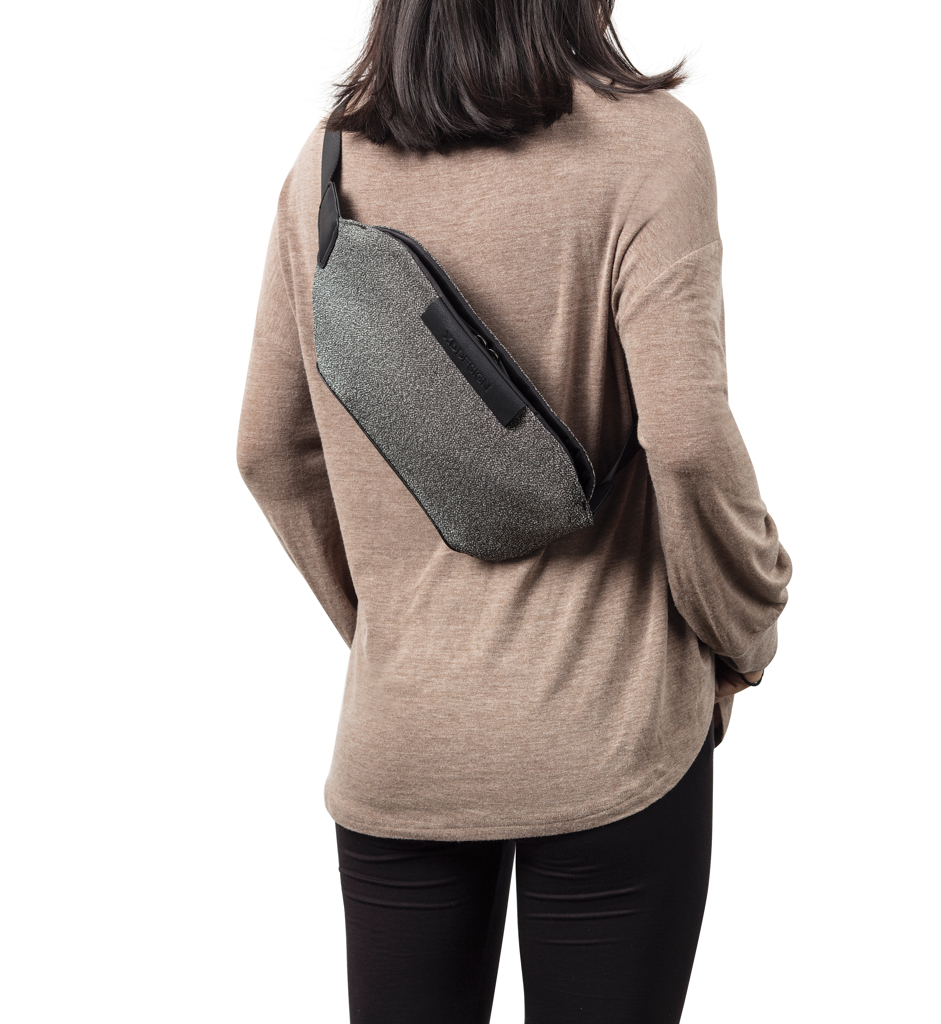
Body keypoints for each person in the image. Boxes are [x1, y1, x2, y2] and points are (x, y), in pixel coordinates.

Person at [237, 1, 792, 1020]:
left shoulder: (328, 165)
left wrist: (397, 633)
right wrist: (746, 628)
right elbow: (687, 442)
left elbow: (269, 451)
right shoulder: (647, 147)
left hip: (402, 740)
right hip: (612, 734)